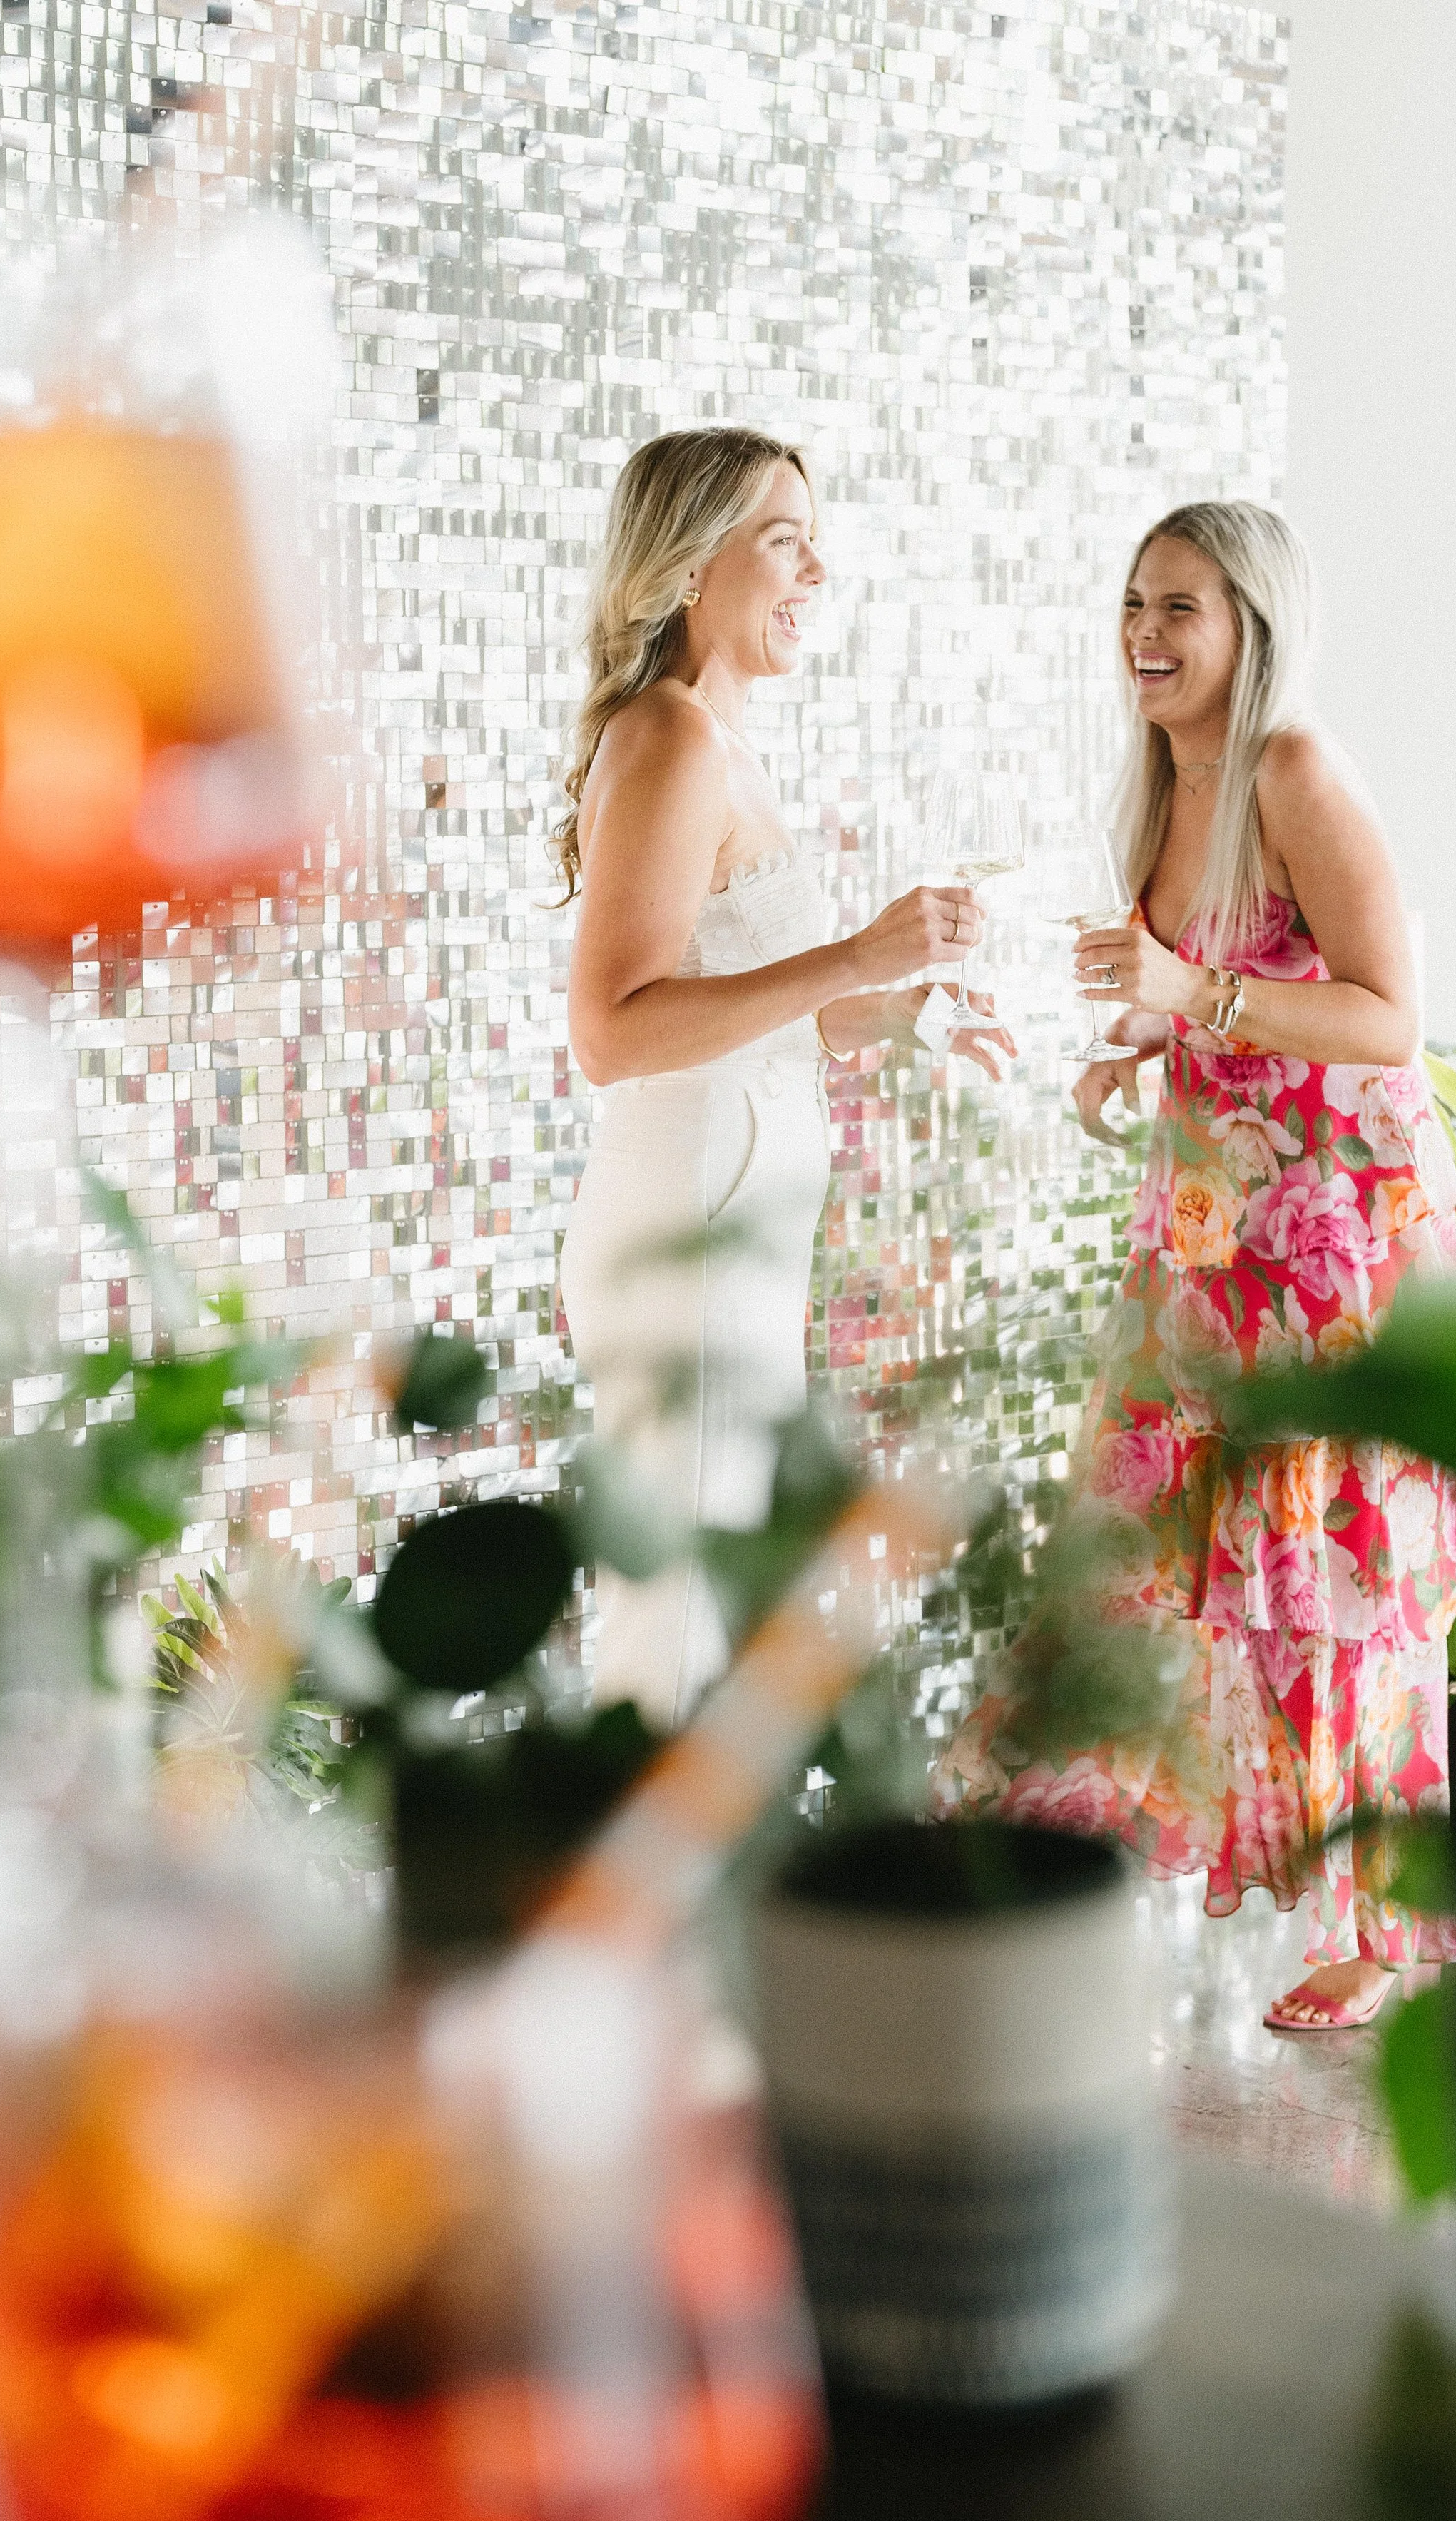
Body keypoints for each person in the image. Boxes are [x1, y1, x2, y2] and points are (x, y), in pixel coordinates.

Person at [935, 499, 1456, 2032]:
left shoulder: (1289, 770)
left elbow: (1387, 1016)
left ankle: (1383, 1930)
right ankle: (1057, 1854)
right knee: (1129, 1532)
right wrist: (1146, 1038)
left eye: (1178, 607)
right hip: (1207, 1231)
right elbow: (1227, 992)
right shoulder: (1160, 787)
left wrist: (1194, 993)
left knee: (1330, 1581)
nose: (1144, 634)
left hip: (1327, 1247)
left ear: (1253, 625)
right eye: (1133, 602)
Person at [556, 426, 1014, 1731]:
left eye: (821, 542)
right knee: (675, 1638)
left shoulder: (721, 744)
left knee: (717, 1619)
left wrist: (910, 1009)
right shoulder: (668, 737)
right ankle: (650, 1927)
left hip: (733, 1241)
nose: (820, 569)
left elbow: (757, 1020)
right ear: (694, 564)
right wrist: (852, 952)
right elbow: (615, 1029)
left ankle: (689, 1917)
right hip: (686, 1251)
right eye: (786, 541)